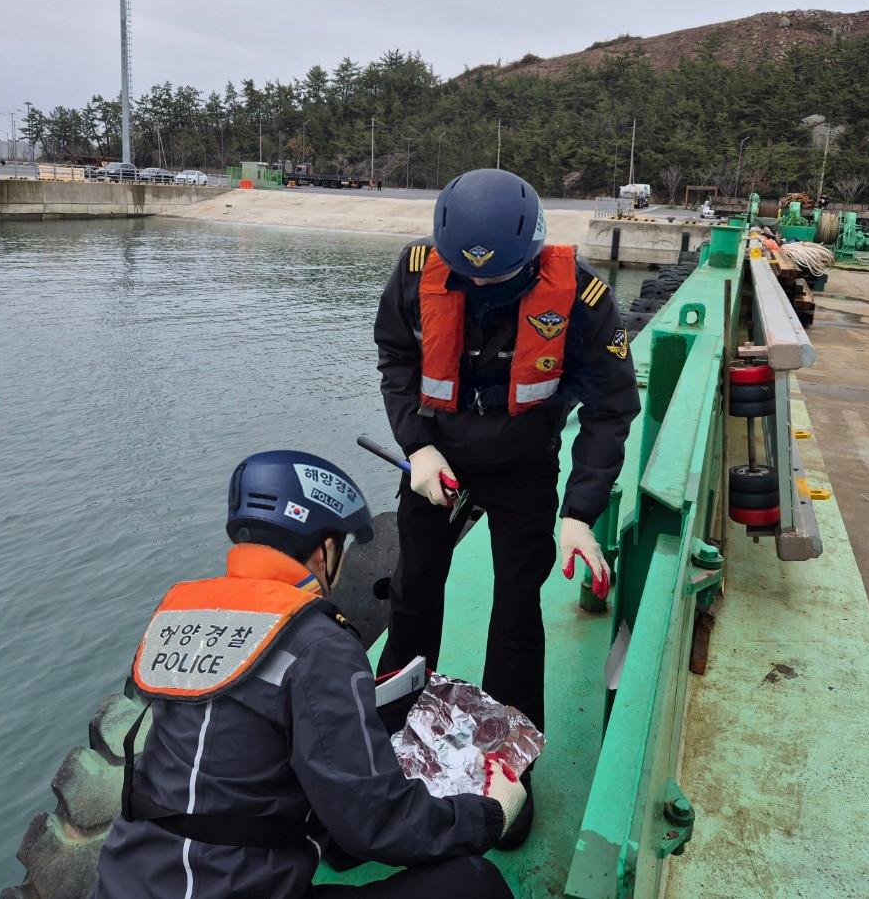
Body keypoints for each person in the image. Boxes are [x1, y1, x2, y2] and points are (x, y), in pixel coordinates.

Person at [92, 450, 524, 899]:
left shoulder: (184, 615)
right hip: (229, 888)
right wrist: (490, 815)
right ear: (325, 549)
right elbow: (379, 823)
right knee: (475, 885)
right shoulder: (319, 643)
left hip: (130, 879)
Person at [373, 168, 640, 846]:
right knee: (413, 596)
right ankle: (390, 746)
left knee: (517, 613)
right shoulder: (415, 273)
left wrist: (579, 511)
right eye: (469, 275)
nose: (482, 285)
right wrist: (417, 448)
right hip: (440, 458)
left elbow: (611, 407)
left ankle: (507, 774)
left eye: (498, 275)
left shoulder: (580, 296)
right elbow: (397, 361)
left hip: (524, 461)